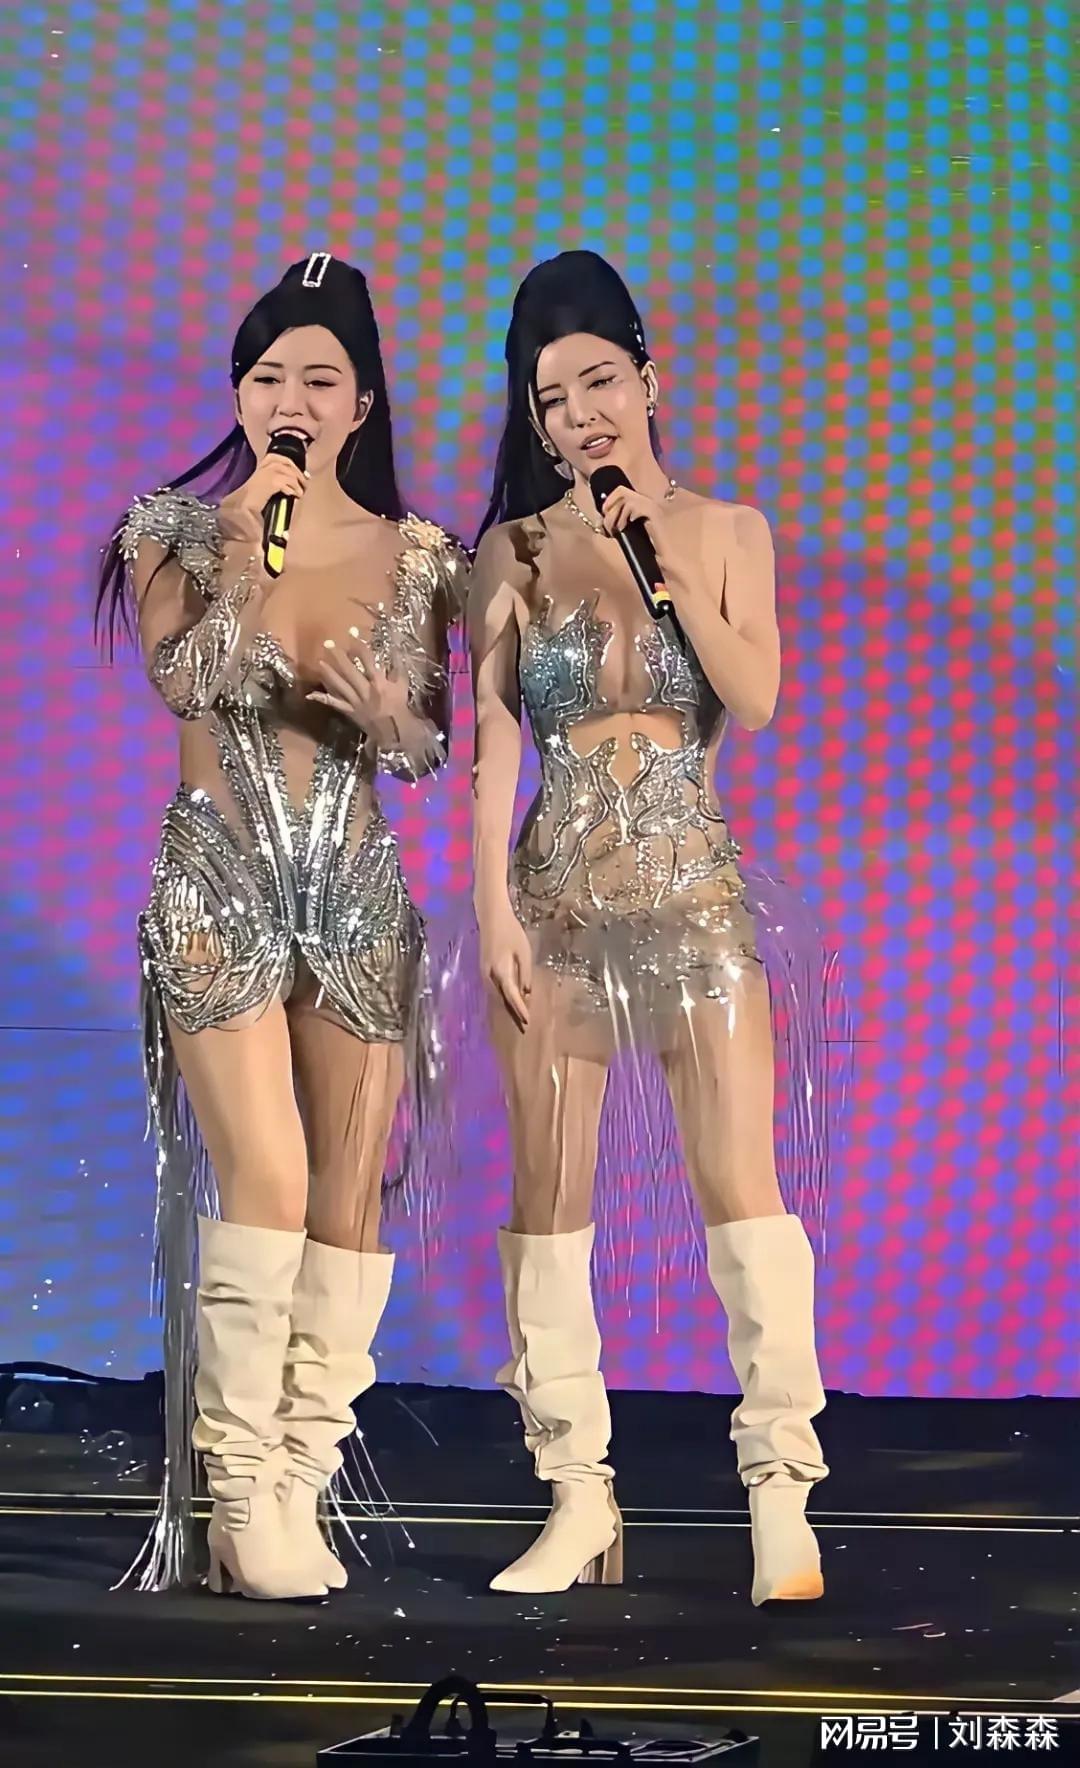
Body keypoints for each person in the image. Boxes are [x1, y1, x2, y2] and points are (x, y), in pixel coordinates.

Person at [95, 252, 466, 1600]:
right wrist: (252, 544)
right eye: (266, 378)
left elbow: (427, 747)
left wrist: (392, 719)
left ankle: (303, 1475)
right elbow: (184, 677)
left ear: (362, 403)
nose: (289, 401)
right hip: (220, 887)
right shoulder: (174, 531)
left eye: (318, 378)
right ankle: (238, 1489)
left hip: (353, 895)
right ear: (241, 396)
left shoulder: (420, 555)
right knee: (268, 1178)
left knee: (354, 1195)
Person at [468, 250, 829, 1604]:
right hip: (557, 900)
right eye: (552, 400)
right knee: (546, 1201)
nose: (581, 417)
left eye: (600, 383)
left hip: (692, 895)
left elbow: (758, 696)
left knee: (741, 1185)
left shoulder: (727, 531)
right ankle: (577, 1494)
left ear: (648, 381)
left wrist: (662, 556)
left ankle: (781, 1493)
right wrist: (491, 905)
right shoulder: (513, 550)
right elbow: (497, 740)